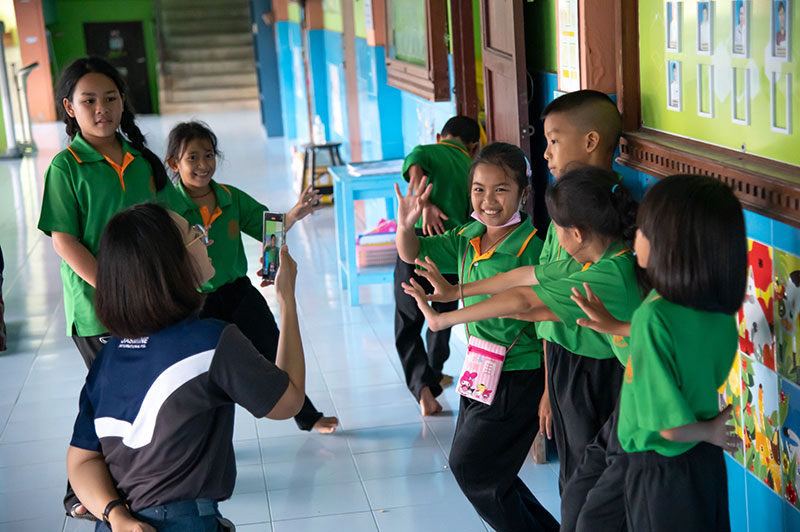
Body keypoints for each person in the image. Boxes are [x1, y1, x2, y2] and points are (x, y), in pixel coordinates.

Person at [403, 167, 646, 494]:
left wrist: (443, 320)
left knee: (594, 495)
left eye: (558, 228)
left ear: (577, 233)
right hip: (631, 389)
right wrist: (456, 292)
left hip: (638, 392)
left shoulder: (608, 273)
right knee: (582, 492)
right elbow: (522, 277)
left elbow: (523, 301)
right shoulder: (593, 258)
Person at [67, 203, 307, 531]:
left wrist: (118, 517)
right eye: (195, 234)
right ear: (171, 263)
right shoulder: (211, 342)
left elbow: (82, 459)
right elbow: (288, 402)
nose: (205, 240)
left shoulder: (108, 359)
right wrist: (287, 302)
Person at [36, 56, 178, 520]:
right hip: (99, 310)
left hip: (148, 302)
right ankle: (80, 490)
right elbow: (64, 241)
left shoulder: (141, 160)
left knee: (139, 392)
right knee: (111, 396)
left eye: (111, 98)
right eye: (89, 101)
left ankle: (134, 476)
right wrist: (113, 289)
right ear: (70, 108)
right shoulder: (66, 166)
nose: (102, 109)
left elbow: (173, 217)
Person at [562, 174, 745, 531]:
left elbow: (668, 429)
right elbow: (681, 348)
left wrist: (708, 430)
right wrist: (618, 327)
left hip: (659, 463)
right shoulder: (718, 313)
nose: (635, 237)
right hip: (702, 463)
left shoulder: (654, 314)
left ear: (672, 245)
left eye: (644, 230)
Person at [395, 143, 558, 531]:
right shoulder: (468, 235)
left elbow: (551, 326)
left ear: (523, 193)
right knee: (490, 473)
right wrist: (405, 225)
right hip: (479, 368)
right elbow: (413, 252)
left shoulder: (531, 249)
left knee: (470, 467)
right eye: (479, 189)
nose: (488, 200)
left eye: (501, 189)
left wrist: (550, 391)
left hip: (519, 373)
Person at [165, 121, 338, 434]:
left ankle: (307, 416)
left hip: (239, 293)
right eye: (192, 158)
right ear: (174, 163)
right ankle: (205, 438)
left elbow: (268, 227)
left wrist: (293, 217)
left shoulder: (230, 197)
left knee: (275, 349)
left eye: (208, 155)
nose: (203, 165)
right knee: (206, 370)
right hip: (195, 303)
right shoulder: (168, 209)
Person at [394, 115, 481, 416]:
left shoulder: (431, 150)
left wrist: (423, 202)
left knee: (408, 320)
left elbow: (415, 163)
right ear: (473, 146)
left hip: (417, 245)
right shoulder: (473, 168)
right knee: (442, 316)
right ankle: (433, 375)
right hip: (453, 251)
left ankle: (422, 387)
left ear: (441, 135)